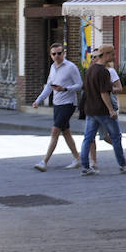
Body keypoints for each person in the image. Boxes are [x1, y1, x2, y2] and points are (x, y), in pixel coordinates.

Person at [78, 46, 126, 175]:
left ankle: (85, 166)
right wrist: (111, 110)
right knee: (116, 137)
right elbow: (104, 93)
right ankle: (123, 164)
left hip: (90, 109)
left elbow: (87, 90)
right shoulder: (103, 72)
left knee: (88, 138)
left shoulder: (89, 70)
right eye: (112, 54)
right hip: (102, 111)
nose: (114, 56)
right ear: (105, 54)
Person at [31, 43, 83, 171]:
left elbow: (79, 85)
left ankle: (44, 162)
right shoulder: (52, 68)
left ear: (64, 53)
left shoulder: (71, 67)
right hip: (57, 104)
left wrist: (65, 89)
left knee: (55, 130)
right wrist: (38, 100)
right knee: (66, 133)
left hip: (69, 104)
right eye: (54, 54)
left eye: (59, 53)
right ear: (51, 55)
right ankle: (78, 159)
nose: (57, 56)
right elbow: (49, 86)